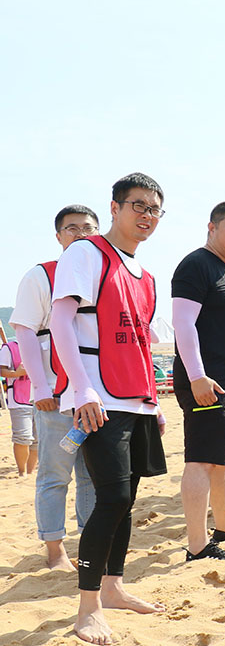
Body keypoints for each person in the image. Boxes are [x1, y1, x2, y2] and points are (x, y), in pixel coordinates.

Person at [49, 172, 169, 645]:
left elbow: (144, 343)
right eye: (138, 205)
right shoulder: (86, 253)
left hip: (135, 398)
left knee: (128, 500)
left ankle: (115, 586)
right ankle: (88, 605)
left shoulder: (144, 275)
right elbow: (61, 321)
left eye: (154, 209)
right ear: (115, 208)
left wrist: (152, 400)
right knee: (111, 498)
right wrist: (81, 389)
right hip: (97, 395)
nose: (146, 216)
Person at [171, 201, 225, 562]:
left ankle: (224, 524)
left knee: (222, 460)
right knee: (200, 460)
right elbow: (183, 324)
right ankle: (197, 545)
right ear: (212, 227)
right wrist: (197, 376)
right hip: (208, 383)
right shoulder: (196, 265)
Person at [11, 204, 98, 570]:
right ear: (59, 235)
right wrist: (42, 390)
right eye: (72, 229)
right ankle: (55, 550)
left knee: (95, 476)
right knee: (54, 475)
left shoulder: (103, 274)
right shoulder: (41, 276)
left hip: (99, 395)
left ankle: (92, 545)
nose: (81, 235)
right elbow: (26, 331)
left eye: (88, 229)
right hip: (56, 396)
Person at [0, 338, 37, 476]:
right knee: (23, 437)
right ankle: (22, 472)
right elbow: (2, 371)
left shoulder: (41, 342)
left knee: (37, 440)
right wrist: (17, 373)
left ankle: (30, 472)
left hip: (41, 397)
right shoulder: (9, 348)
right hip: (19, 399)